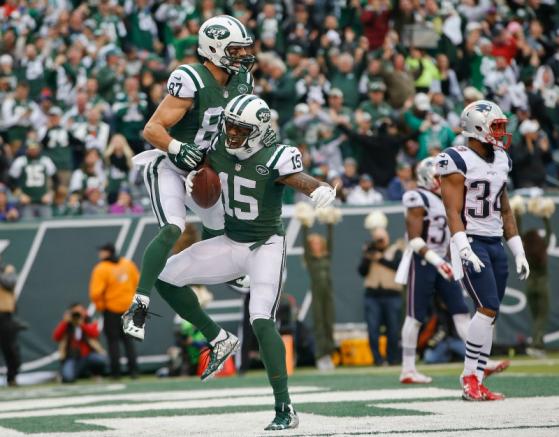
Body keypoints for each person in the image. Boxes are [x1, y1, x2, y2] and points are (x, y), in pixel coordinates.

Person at [156, 96, 336, 430]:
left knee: (261, 320)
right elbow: (188, 165)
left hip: (265, 245)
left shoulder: (278, 155)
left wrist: (319, 189)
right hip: (230, 241)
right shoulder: (218, 146)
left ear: (259, 130)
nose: (233, 133)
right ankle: (217, 336)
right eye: (231, 125)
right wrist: (192, 179)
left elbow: (300, 179)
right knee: (164, 277)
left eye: (241, 128)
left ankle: (285, 407)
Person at [122, 15, 256, 341]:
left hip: (203, 170)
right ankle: (139, 303)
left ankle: (229, 274)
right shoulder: (189, 78)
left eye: (242, 50)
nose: (242, 56)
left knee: (228, 224)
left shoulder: (241, 83)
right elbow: (152, 129)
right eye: (235, 51)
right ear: (214, 49)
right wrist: (176, 146)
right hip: (170, 164)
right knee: (173, 228)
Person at [437, 100, 530, 401]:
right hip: (471, 240)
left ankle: (477, 376)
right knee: (487, 306)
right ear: (478, 127)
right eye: (496, 126)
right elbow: (452, 211)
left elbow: (505, 209)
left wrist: (518, 250)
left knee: (490, 313)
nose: (501, 132)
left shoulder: (501, 158)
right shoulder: (457, 159)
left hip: (494, 241)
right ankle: (469, 377)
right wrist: (462, 247)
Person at [395, 157, 470, 384]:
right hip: (424, 261)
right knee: (415, 316)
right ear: (426, 176)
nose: (442, 181)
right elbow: (414, 240)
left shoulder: (445, 199)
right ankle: (407, 369)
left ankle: (479, 362)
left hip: (443, 261)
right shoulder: (416, 196)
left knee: (460, 311)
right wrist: (439, 262)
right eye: (438, 176)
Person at [89, 243, 139, 378]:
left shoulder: (101, 268)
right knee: (129, 341)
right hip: (129, 308)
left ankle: (116, 373)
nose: (99, 254)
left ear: (107, 253)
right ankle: (134, 371)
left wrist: (101, 307)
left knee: (113, 342)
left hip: (111, 310)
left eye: (101, 251)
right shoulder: (128, 264)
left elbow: (95, 293)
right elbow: (137, 283)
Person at [358, 227, 403, 366]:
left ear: (387, 238)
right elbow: (362, 271)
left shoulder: (396, 250)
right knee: (373, 329)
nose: (380, 242)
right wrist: (367, 257)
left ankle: (393, 358)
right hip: (372, 296)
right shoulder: (370, 253)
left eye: (381, 238)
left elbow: (398, 267)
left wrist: (380, 258)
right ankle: (378, 359)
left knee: (394, 329)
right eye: (377, 239)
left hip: (392, 295)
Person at [300, 211, 336, 371]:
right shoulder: (310, 258)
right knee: (319, 323)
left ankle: (329, 354)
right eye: (312, 243)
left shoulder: (327, 256)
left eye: (317, 243)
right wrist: (305, 226)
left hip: (328, 294)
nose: (315, 245)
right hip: (317, 294)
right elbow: (304, 243)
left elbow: (331, 241)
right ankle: (320, 357)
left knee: (329, 323)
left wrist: (329, 224)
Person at [52, 303, 106, 383]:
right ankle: (68, 372)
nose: (78, 314)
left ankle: (94, 373)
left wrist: (82, 324)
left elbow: (95, 334)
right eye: (76, 312)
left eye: (81, 311)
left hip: (88, 356)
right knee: (68, 378)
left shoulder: (89, 322)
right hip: (71, 357)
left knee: (102, 359)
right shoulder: (67, 325)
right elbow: (56, 337)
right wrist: (64, 322)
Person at [0, 260, 20, 386]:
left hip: (4, 315)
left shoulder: (8, 270)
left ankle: (11, 378)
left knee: (10, 349)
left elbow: (10, 283)